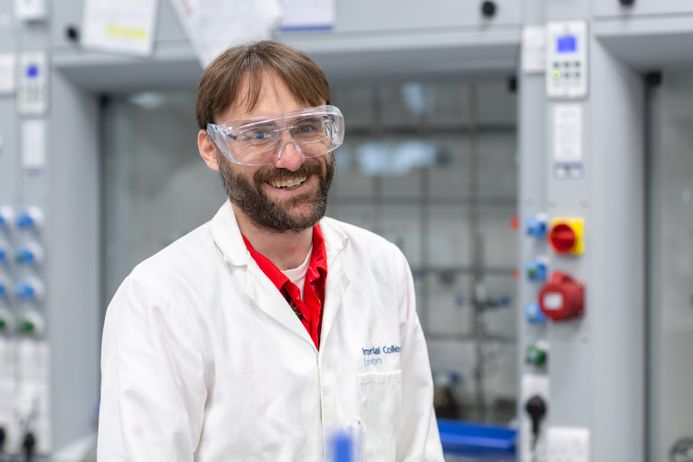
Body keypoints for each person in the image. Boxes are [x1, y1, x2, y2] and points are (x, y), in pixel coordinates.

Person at [97, 40, 443, 462]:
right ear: (211, 149)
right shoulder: (159, 300)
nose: (292, 158)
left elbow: (416, 447)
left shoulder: (382, 267)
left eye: (307, 127)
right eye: (258, 135)